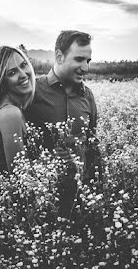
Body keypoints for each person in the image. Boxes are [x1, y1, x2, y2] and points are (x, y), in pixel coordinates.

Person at [24, 30, 103, 216]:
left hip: (80, 198)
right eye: (79, 59)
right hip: (42, 200)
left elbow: (92, 144)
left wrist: (97, 189)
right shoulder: (32, 92)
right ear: (59, 56)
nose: (86, 68)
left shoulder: (88, 96)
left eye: (88, 61)